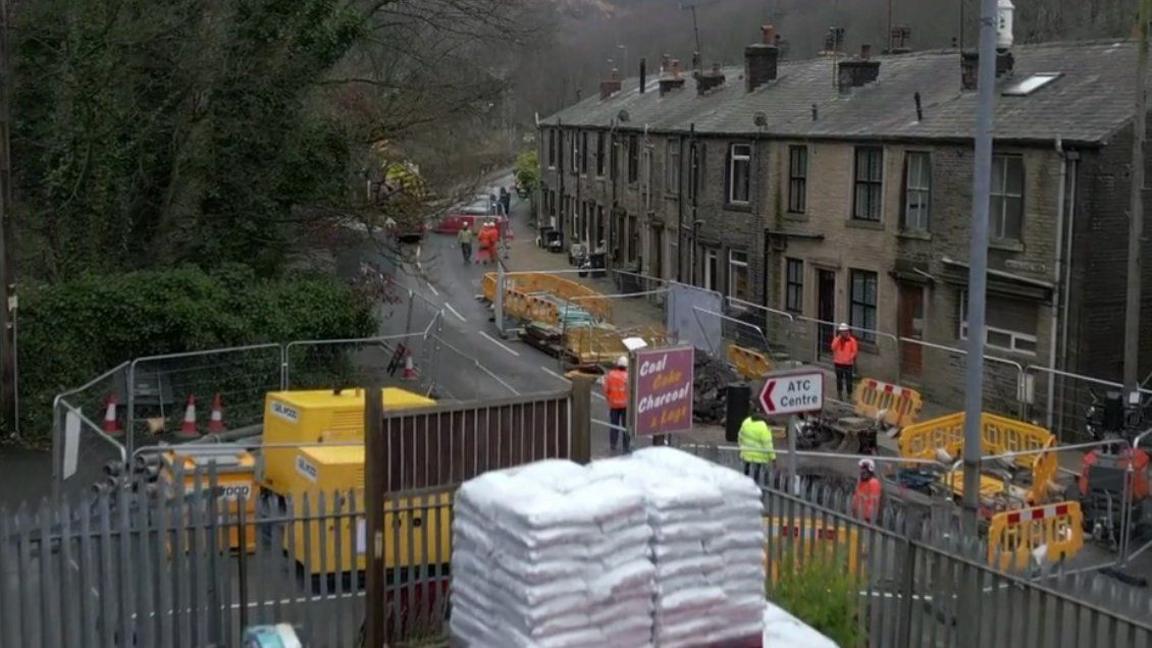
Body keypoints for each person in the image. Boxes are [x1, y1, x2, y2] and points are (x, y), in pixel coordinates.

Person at [738, 412, 776, 483]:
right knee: (757, 471)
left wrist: (741, 447)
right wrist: (773, 458)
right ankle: (756, 484)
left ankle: (745, 483)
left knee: (747, 469)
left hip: (746, 453)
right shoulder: (763, 428)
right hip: (759, 456)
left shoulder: (746, 423)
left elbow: (740, 436)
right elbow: (768, 445)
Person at [604, 356, 630, 454]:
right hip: (625, 406)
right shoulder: (628, 376)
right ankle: (626, 446)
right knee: (626, 427)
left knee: (614, 426)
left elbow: (606, 390)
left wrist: (609, 400)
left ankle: (613, 444)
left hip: (614, 405)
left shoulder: (610, 375)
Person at [831, 322, 859, 401]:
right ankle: (839, 393)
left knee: (849, 380)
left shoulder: (852, 340)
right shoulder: (837, 339)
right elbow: (833, 347)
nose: (843, 333)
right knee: (839, 379)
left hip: (848, 364)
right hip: (838, 362)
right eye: (841, 331)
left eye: (845, 331)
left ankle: (849, 394)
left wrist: (850, 358)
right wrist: (838, 338)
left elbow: (854, 351)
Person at [852, 458, 882, 523]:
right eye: (862, 469)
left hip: (866, 520)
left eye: (865, 471)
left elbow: (873, 503)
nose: (862, 472)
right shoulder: (860, 480)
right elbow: (856, 496)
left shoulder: (873, 482)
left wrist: (867, 519)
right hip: (858, 516)